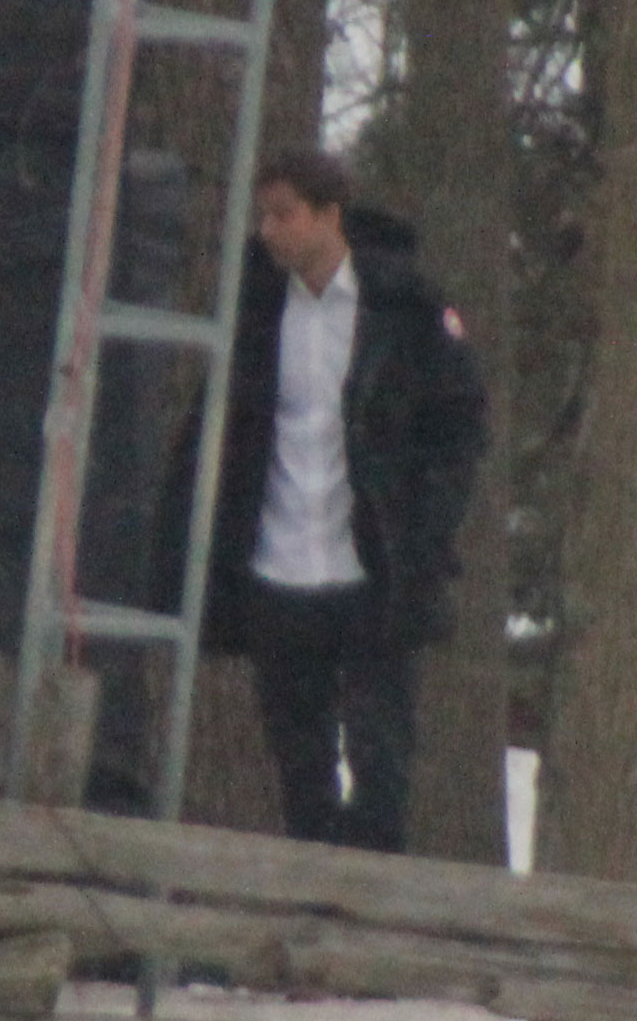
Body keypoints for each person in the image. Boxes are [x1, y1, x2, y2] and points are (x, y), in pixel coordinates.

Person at [199, 146, 487, 853]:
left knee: (381, 759)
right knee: (300, 765)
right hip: (278, 568)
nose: (269, 231)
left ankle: (372, 898)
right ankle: (311, 898)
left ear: (330, 215)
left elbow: (459, 426)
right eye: (264, 216)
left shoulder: (404, 307)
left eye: (285, 214)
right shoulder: (256, 307)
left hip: (372, 569)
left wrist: (425, 534)